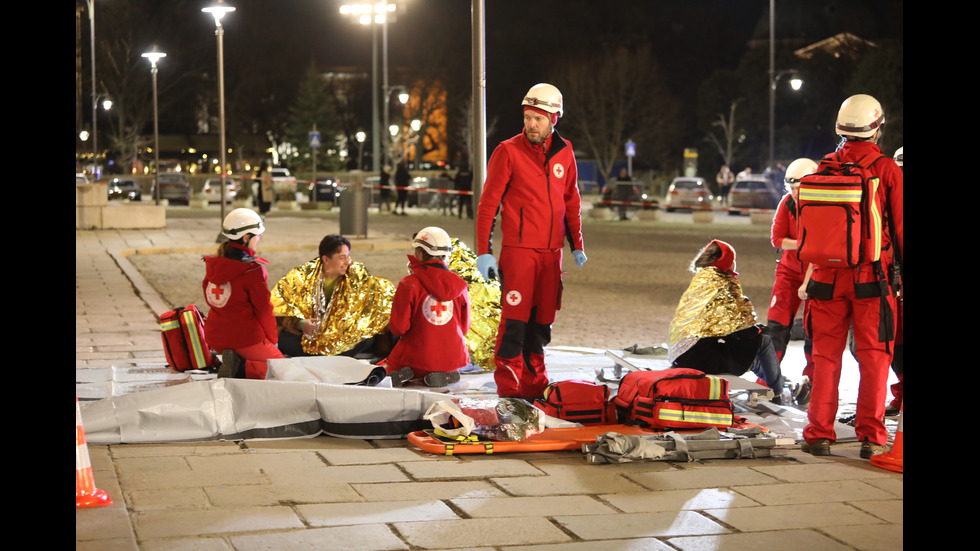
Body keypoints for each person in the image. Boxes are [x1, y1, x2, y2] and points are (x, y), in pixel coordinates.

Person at [800, 94, 903, 460]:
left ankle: (818, 433)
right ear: (876, 127)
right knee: (875, 356)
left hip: (826, 276)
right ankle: (871, 436)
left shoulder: (822, 168)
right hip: (871, 278)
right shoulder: (888, 169)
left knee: (826, 355)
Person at [475, 82, 587, 399]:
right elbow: (487, 207)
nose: (531, 125)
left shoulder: (565, 152)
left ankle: (534, 384)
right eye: (527, 118)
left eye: (538, 119)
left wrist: (577, 244)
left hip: (552, 257)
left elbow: (572, 200)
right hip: (519, 254)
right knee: (514, 326)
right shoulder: (507, 151)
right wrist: (484, 252)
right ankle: (510, 389)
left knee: (541, 326)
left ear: (554, 118)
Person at [668, 240, 786, 398]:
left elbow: (721, 322)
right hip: (698, 358)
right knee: (762, 340)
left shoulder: (701, 279)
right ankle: (778, 393)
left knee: (745, 350)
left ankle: (775, 385)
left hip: (679, 354)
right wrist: (756, 330)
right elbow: (742, 324)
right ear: (728, 261)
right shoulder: (724, 282)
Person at [271, 234, 396, 358]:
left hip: (344, 338)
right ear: (326, 259)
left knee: (367, 339)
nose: (348, 262)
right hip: (308, 337)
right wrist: (302, 324)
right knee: (283, 340)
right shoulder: (300, 277)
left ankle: (323, 355)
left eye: (348, 256)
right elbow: (280, 311)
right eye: (342, 257)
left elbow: (375, 303)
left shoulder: (356, 274)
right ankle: (328, 355)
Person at [384, 226, 471, 387]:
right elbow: (465, 328)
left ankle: (403, 373)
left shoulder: (409, 284)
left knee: (385, 365)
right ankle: (446, 373)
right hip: (454, 358)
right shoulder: (460, 286)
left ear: (420, 254)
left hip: (417, 359)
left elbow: (398, 328)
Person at [202, 208, 283, 380]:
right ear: (246, 238)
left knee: (261, 358)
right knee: (279, 370)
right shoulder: (252, 270)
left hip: (215, 335)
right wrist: (272, 339)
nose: (259, 239)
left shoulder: (213, 265)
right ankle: (244, 367)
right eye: (257, 235)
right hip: (245, 337)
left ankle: (237, 361)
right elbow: (264, 309)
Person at [766, 157, 818, 405]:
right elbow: (777, 239)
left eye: (798, 188)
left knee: (814, 331)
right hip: (788, 272)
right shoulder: (786, 204)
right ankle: (767, 381)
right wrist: (804, 245)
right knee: (775, 327)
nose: (794, 193)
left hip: (817, 272)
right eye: (790, 188)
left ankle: (813, 381)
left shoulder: (823, 207)